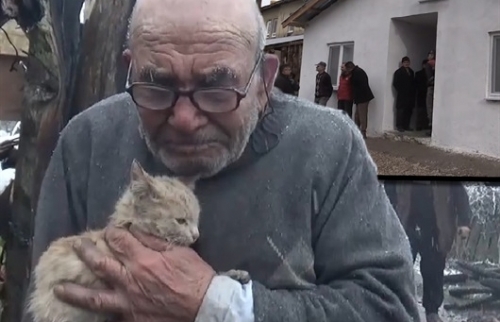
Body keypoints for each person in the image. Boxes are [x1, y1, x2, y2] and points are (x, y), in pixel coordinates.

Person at [21, 0, 421, 321]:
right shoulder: (87, 140)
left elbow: (391, 308)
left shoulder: (329, 147)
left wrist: (216, 305)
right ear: (130, 68)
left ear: (264, 81)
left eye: (216, 89)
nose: (183, 118)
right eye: (157, 84)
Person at [384, 180, 472, 322]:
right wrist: (391, 208)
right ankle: (395, 307)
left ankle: (432, 312)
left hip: (435, 227)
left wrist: (464, 221)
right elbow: (389, 188)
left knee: (434, 270)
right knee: (399, 267)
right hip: (406, 224)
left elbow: (459, 193)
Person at [344, 61, 374, 139]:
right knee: (357, 115)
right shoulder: (357, 72)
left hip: (363, 97)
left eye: (347, 69)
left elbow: (358, 85)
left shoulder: (357, 73)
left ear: (350, 68)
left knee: (362, 115)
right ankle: (357, 131)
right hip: (360, 97)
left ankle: (363, 132)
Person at [392, 56, 416, 132]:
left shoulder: (411, 72)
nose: (406, 64)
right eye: (405, 62)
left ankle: (406, 125)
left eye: (408, 62)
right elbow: (395, 83)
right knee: (400, 110)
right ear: (402, 63)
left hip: (410, 95)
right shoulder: (398, 72)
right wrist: (401, 90)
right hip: (402, 95)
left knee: (408, 110)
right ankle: (399, 125)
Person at [415, 59, 429, 131]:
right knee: (420, 110)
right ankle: (419, 125)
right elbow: (416, 84)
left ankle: (426, 124)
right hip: (421, 93)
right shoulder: (418, 74)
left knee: (427, 110)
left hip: (427, 93)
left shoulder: (430, 73)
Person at [425, 51, 436, 135]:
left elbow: (429, 77)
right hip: (434, 87)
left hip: (431, 87)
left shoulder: (429, 64)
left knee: (430, 107)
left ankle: (431, 127)